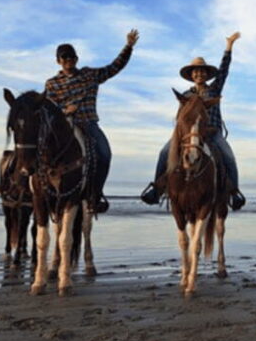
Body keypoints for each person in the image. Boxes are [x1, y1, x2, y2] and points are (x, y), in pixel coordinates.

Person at [141, 32, 245, 210]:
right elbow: (180, 120)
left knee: (228, 156)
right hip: (189, 135)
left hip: (212, 133)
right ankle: (157, 190)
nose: (199, 74)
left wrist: (229, 47)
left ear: (207, 74)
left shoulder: (214, 89)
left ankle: (233, 192)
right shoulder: (186, 96)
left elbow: (224, 71)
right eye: (196, 71)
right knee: (164, 152)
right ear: (191, 75)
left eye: (202, 71)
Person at [44, 28, 139, 213]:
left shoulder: (89, 75)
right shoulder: (52, 83)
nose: (68, 61)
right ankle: (38, 192)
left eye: (71, 57)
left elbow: (114, 68)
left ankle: (95, 195)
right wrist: (65, 111)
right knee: (40, 150)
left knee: (105, 154)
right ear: (58, 61)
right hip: (62, 127)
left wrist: (128, 46)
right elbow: (49, 110)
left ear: (76, 59)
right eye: (64, 58)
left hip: (88, 123)